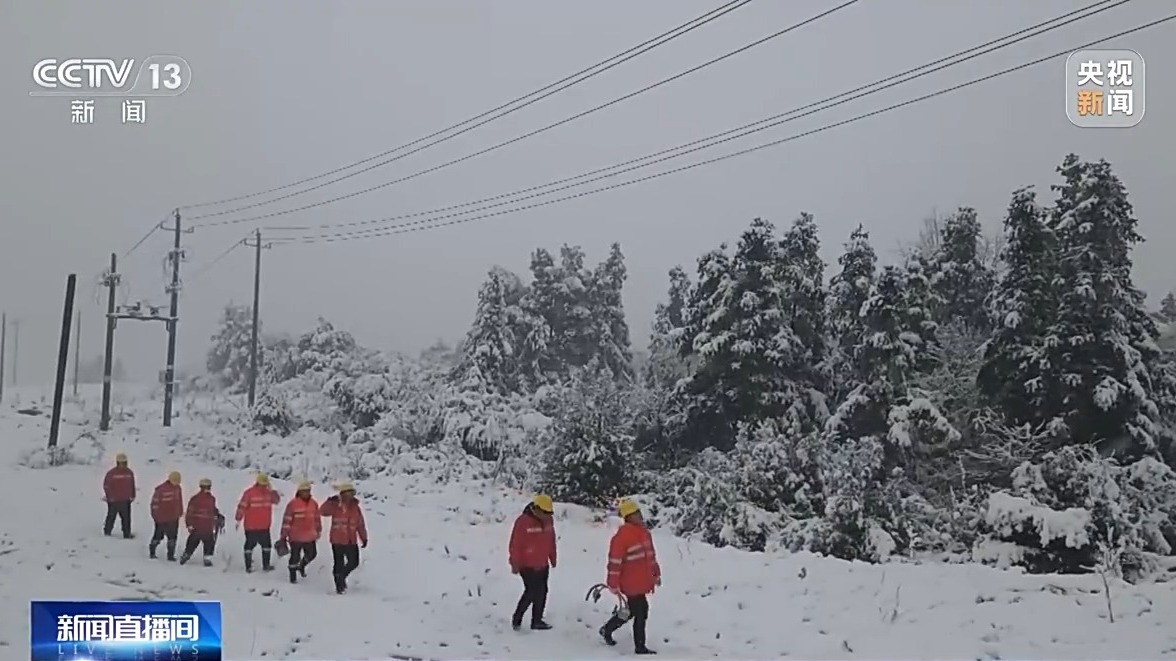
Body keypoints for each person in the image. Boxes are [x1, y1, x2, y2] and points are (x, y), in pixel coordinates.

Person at [599, 499, 661, 655]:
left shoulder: (644, 533)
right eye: (635, 514)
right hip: (630, 582)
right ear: (628, 517)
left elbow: (650, 557)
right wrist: (613, 583)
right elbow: (614, 563)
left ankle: (607, 629)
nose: (639, 516)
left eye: (638, 513)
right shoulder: (622, 537)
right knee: (641, 611)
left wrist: (655, 575)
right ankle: (640, 647)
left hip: (642, 580)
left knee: (633, 612)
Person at [508, 494, 556, 630]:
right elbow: (515, 544)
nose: (547, 515)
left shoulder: (548, 521)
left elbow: (551, 540)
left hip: (542, 563)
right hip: (527, 565)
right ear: (536, 509)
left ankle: (537, 620)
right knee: (531, 592)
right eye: (544, 513)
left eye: (549, 513)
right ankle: (517, 618)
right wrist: (515, 563)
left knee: (543, 591)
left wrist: (553, 557)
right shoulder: (522, 522)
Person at [319, 482, 367, 594]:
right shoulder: (335, 505)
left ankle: (342, 577)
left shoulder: (356, 507)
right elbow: (323, 511)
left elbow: (360, 524)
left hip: (351, 540)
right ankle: (339, 586)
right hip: (337, 540)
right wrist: (330, 501)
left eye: (352, 493)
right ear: (343, 494)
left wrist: (363, 538)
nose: (350, 495)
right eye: (348, 493)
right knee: (338, 563)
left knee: (354, 562)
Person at [235, 472, 281, 572]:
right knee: (264, 546)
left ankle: (249, 566)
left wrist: (238, 518)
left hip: (254, 526)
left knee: (251, 546)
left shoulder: (250, 492)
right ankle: (265, 565)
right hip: (261, 525)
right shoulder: (260, 493)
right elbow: (242, 506)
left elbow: (277, 501)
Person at [279, 480, 321, 584]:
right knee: (294, 557)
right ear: (299, 492)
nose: (306, 493)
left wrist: (318, 529)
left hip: (310, 535)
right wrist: (283, 535)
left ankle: (301, 566)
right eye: (304, 491)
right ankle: (292, 577)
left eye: (308, 491)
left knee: (312, 554)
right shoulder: (292, 504)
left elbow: (317, 518)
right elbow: (287, 520)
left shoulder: (314, 503)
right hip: (295, 536)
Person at [181, 478, 223, 567]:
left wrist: (217, 514)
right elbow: (190, 513)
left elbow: (212, 509)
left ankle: (204, 558)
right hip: (199, 527)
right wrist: (189, 524)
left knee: (206, 543)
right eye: (206, 487)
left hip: (206, 527)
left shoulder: (210, 499)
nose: (208, 488)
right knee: (195, 542)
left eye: (208, 487)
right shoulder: (196, 499)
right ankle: (187, 555)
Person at [148, 471, 184, 561]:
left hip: (173, 518)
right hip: (161, 518)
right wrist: (155, 516)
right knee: (158, 536)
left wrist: (180, 512)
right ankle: (152, 551)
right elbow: (154, 504)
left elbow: (179, 501)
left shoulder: (178, 489)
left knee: (172, 537)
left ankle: (170, 555)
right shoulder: (160, 490)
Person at [102, 453, 136, 538]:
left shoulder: (129, 472)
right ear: (117, 462)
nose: (124, 464)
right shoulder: (111, 473)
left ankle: (127, 533)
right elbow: (106, 485)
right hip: (114, 500)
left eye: (125, 462)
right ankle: (107, 531)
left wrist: (133, 495)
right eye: (122, 462)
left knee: (126, 518)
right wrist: (109, 496)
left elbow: (132, 484)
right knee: (111, 517)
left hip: (125, 500)